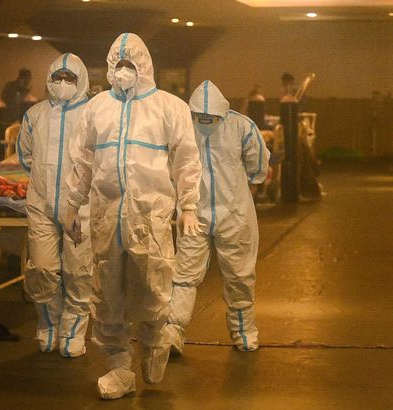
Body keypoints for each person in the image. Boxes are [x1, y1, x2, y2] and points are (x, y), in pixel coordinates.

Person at [64, 33, 202, 399]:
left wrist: (188, 205)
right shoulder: (95, 108)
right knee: (106, 292)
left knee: (154, 286)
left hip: (150, 214)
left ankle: (155, 343)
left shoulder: (169, 107)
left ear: (143, 66)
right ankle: (119, 368)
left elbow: (187, 160)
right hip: (106, 214)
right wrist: (71, 205)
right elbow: (81, 160)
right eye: (118, 64)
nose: (123, 71)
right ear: (110, 66)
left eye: (130, 65)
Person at [166, 80, 270, 354]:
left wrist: (241, 190)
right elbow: (169, 165)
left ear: (222, 112)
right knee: (184, 274)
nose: (205, 121)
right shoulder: (182, 127)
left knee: (239, 275)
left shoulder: (241, 127)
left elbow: (259, 164)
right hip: (193, 213)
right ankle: (173, 332)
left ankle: (244, 332)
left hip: (234, 215)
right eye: (201, 116)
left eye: (211, 117)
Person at [17, 53, 92, 358]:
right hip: (42, 204)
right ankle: (49, 322)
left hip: (82, 207)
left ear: (81, 80)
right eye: (57, 77)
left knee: (79, 271)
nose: (62, 83)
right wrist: (45, 182)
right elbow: (26, 156)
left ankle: (73, 330)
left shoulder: (93, 113)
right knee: (43, 269)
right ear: (49, 79)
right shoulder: (35, 115)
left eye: (69, 78)